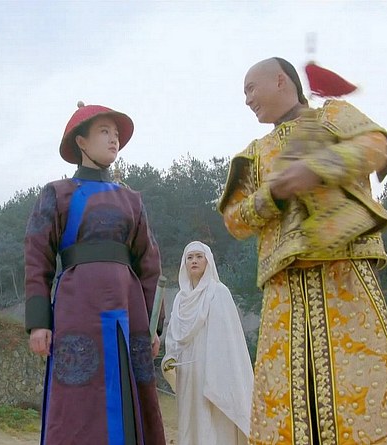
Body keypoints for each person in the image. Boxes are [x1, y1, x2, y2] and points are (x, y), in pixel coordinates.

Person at [217, 58, 387, 445]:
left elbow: (377, 147)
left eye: (250, 88)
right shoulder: (254, 154)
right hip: (284, 290)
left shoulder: (332, 116)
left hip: (344, 272)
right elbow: (234, 221)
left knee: (361, 385)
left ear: (281, 80)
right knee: (289, 393)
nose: (247, 99)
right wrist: (273, 194)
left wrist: (320, 168)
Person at [25, 102, 166, 445]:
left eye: (116, 134)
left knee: (131, 395)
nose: (114, 139)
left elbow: (149, 265)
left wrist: (153, 326)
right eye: (104, 132)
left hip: (129, 310)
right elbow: (37, 258)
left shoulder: (132, 200)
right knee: (78, 401)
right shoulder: (57, 194)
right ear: (81, 142)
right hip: (77, 308)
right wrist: (39, 322)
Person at [162, 241, 252, 445]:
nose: (194, 261)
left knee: (213, 420)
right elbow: (175, 334)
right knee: (190, 420)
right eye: (190, 257)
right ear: (184, 263)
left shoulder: (218, 292)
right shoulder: (180, 299)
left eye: (198, 256)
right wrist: (170, 357)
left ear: (208, 261)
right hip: (187, 372)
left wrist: (214, 368)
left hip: (213, 370)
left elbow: (227, 339)